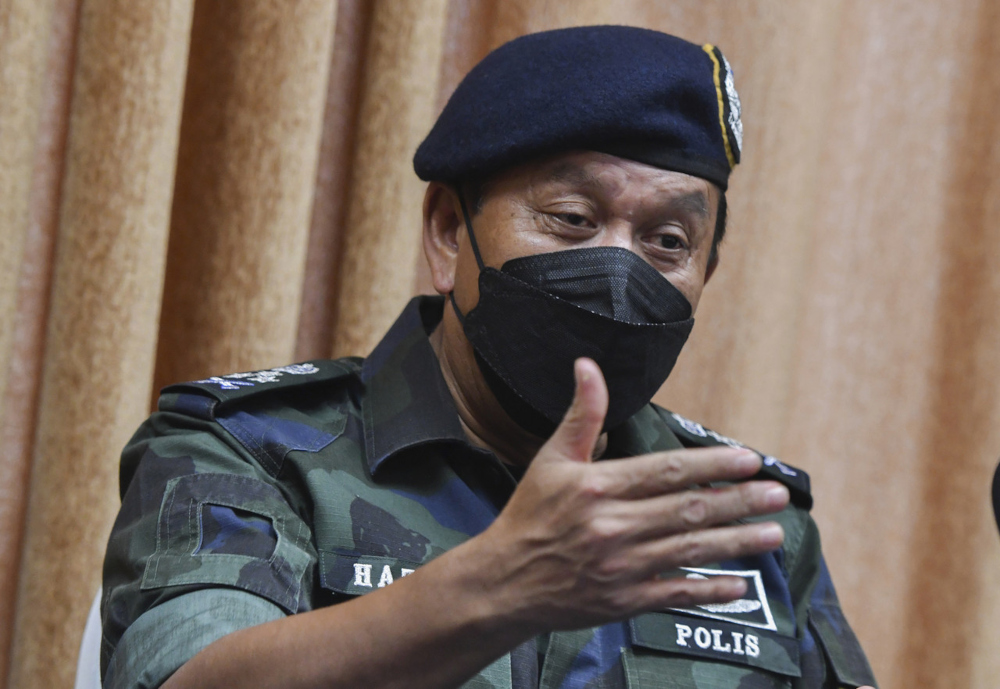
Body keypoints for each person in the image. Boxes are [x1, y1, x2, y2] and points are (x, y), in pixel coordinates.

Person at [101, 26, 878, 689]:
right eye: (572, 218)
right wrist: (496, 587)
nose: (620, 271)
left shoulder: (747, 523)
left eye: (667, 242)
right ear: (448, 231)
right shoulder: (249, 451)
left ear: (707, 271)